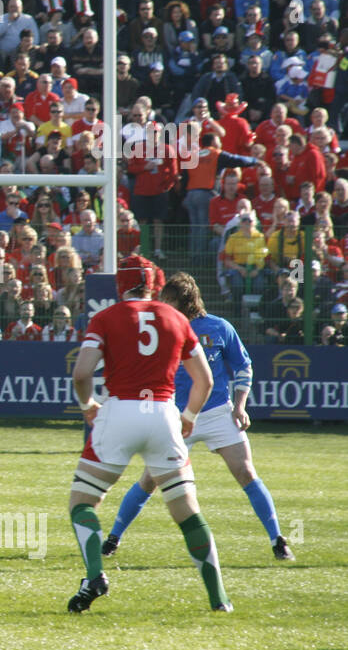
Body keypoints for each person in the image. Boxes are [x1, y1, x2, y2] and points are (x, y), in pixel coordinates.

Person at [66, 255, 230, 613]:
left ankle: (95, 575)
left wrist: (87, 405)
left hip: (119, 412)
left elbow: (81, 374)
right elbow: (206, 380)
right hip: (163, 415)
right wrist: (189, 415)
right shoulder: (176, 318)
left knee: (82, 502)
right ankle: (219, 599)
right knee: (187, 511)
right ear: (154, 283)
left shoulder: (106, 317)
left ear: (119, 285)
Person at [104, 272, 294, 560]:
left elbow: (244, 366)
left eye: (167, 299)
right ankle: (113, 539)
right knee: (149, 480)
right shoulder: (162, 330)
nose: (161, 303)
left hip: (218, 412)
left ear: (185, 301)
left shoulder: (219, 328)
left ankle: (278, 540)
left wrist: (240, 406)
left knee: (246, 472)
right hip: (177, 418)